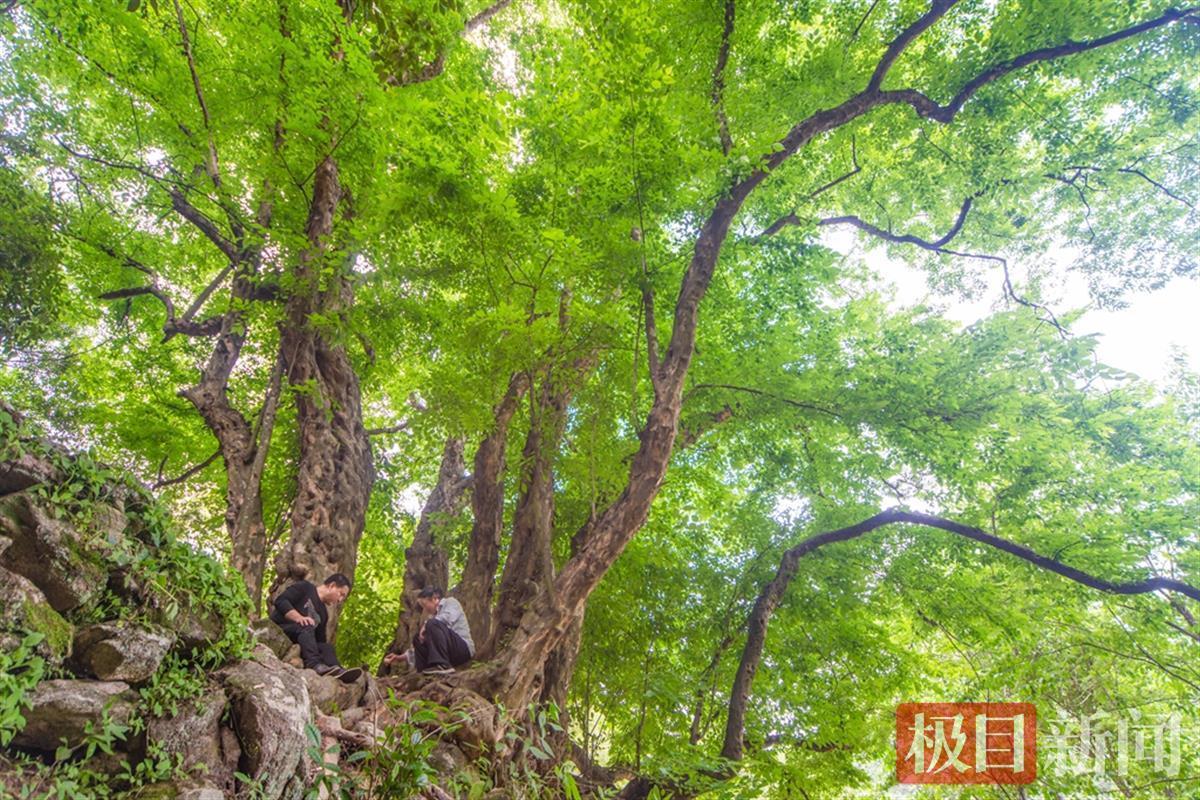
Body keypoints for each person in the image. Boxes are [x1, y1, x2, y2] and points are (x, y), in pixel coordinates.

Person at [270, 573, 362, 683]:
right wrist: (299, 618)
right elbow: (281, 601)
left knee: (326, 647)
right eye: (341, 594)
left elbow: (319, 641)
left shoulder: (324, 614)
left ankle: (338, 671)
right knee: (306, 626)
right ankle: (314, 665)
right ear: (332, 586)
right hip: (280, 629)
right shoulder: (305, 587)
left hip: (301, 638)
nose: (340, 600)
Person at [384, 587, 474, 675]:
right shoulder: (433, 621)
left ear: (434, 599)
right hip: (448, 653)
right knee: (417, 639)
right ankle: (425, 671)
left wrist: (427, 624)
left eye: (424, 605)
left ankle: (442, 665)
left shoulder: (450, 602)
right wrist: (400, 658)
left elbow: (448, 618)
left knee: (432, 623)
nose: (425, 609)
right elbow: (427, 644)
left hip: (462, 649)